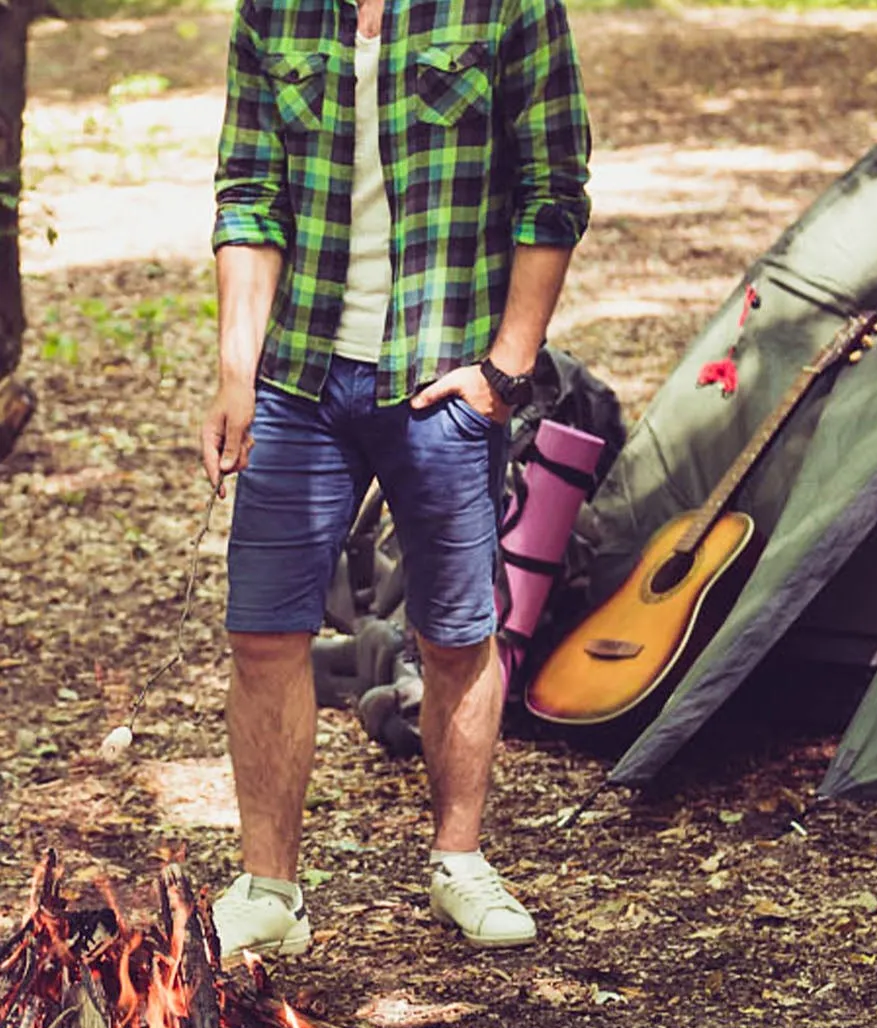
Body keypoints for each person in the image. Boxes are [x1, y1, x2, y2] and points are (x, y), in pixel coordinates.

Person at [200, 0, 591, 962]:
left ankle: (458, 860)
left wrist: (503, 371)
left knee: (457, 633)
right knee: (262, 632)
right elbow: (248, 196)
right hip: (299, 376)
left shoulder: (507, 6)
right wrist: (234, 374)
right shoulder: (275, 9)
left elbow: (552, 190)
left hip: (440, 374)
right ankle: (269, 887)